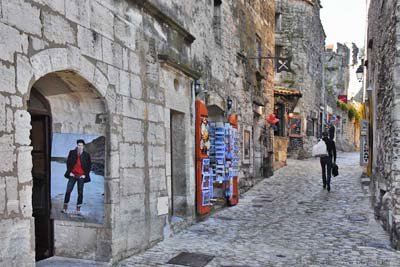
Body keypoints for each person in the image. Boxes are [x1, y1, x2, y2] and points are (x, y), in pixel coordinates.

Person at [62, 139, 92, 214]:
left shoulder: (86, 155)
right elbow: (68, 163)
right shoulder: (72, 153)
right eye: (78, 145)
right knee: (68, 191)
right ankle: (65, 208)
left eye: (81, 145)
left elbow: (89, 166)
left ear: (83, 146)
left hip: (81, 176)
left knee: (80, 193)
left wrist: (85, 175)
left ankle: (78, 210)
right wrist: (69, 172)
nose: (80, 147)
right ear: (77, 145)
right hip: (73, 175)